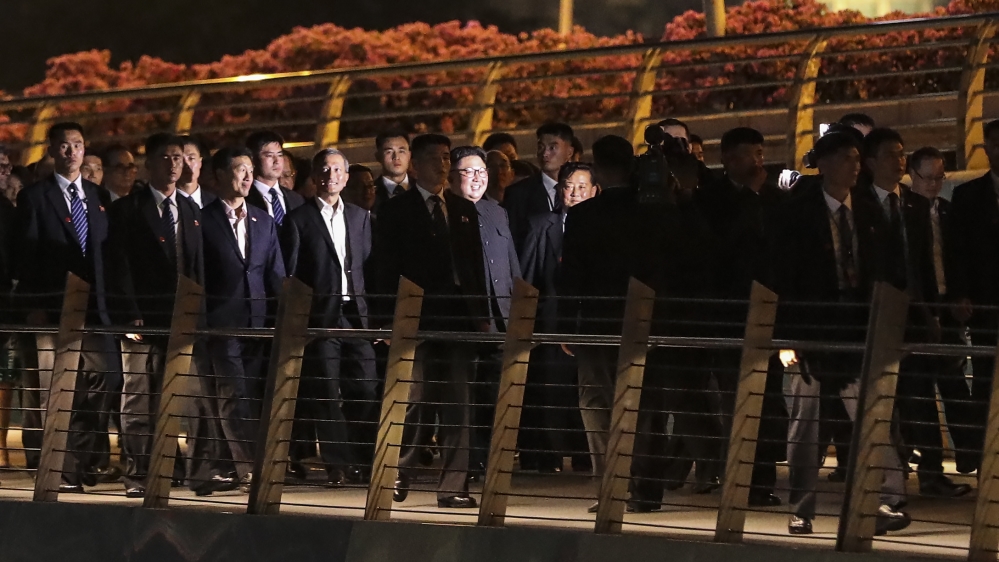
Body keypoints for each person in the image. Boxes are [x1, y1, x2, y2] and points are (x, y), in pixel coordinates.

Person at [560, 134, 714, 513]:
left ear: (596, 169)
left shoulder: (583, 217)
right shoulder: (657, 210)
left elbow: (571, 277)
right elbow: (691, 255)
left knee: (600, 406)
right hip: (650, 321)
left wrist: (567, 325)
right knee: (646, 408)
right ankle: (646, 489)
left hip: (599, 325)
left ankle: (611, 486)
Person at [773, 131, 910, 536]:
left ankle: (887, 498)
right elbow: (783, 276)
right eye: (848, 158)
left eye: (857, 158)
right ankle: (801, 507)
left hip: (857, 328)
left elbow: (884, 267)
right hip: (813, 329)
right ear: (827, 163)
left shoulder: (866, 208)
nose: (855, 166)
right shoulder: (796, 212)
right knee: (806, 422)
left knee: (871, 414)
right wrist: (786, 338)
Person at [373, 133, 488, 509]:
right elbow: (381, 268)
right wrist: (384, 322)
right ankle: (398, 472)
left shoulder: (463, 208)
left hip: (457, 318)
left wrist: (481, 315)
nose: (443, 164)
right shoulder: (395, 210)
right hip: (415, 319)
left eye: (446, 157)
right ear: (416, 165)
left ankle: (454, 485)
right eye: (435, 158)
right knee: (414, 399)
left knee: (459, 403)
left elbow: (474, 268)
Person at [16, 122, 123, 493]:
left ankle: (77, 460)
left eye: (77, 145)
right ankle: (62, 472)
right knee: (57, 392)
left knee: (108, 379)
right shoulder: (35, 197)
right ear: (52, 150)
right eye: (64, 146)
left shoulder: (97, 195)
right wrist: (34, 305)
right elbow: (26, 256)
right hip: (53, 309)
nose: (71, 152)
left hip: (96, 309)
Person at [107, 133, 208, 497]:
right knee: (138, 398)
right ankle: (138, 473)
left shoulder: (192, 209)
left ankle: (190, 470)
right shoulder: (127, 210)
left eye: (179, 157)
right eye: (165, 158)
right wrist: (129, 313)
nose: (174, 164)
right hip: (143, 319)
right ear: (148, 165)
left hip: (184, 318)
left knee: (189, 395)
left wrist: (200, 314)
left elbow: (198, 267)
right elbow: (118, 266)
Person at [692, 127, 788, 506]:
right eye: (751, 155)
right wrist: (749, 199)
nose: (759, 162)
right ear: (730, 159)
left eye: (762, 153)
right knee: (735, 397)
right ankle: (739, 477)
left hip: (769, 311)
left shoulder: (776, 199)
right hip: (729, 311)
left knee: (768, 396)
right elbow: (716, 250)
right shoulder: (711, 199)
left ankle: (761, 478)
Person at [280, 148, 379, 486]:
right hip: (320, 317)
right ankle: (339, 464)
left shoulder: (361, 217)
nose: (331, 175)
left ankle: (364, 460)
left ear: (346, 177)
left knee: (365, 387)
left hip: (356, 315)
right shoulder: (299, 219)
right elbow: (291, 275)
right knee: (326, 390)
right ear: (315, 176)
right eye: (325, 169)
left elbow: (369, 268)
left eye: (338, 170)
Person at [201, 146, 286, 492]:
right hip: (220, 322)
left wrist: (283, 317)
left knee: (250, 395)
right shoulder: (201, 220)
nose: (249, 176)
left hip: (258, 322)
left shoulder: (263, 220)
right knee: (233, 394)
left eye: (251, 170)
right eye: (240, 170)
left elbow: (275, 273)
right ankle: (250, 469)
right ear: (220, 175)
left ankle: (230, 464)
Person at [518, 162, 598, 474]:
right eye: (569, 186)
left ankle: (584, 456)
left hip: (588, 324)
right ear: (560, 190)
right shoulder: (542, 225)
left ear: (594, 191)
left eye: (582, 187)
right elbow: (529, 276)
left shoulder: (601, 227)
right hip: (550, 324)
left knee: (588, 393)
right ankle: (547, 456)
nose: (575, 193)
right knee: (550, 391)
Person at [448, 145, 520, 477]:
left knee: (494, 392)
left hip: (501, 317)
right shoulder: (447, 212)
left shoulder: (497, 211)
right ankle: (469, 460)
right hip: (466, 318)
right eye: (468, 172)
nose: (477, 179)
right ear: (452, 176)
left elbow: (511, 265)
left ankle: (491, 458)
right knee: (466, 396)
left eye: (482, 172)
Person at [946, 118, 999, 473]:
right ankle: (987, 457)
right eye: (995, 145)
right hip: (986, 306)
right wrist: (961, 294)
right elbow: (957, 252)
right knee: (985, 380)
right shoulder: (967, 196)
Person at [503, 122, 575, 253]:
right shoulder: (518, 194)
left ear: (569, 152)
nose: (545, 153)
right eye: (541, 147)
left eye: (552, 148)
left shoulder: (583, 191)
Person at [245, 131, 305, 226]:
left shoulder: (295, 199)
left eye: (280, 155)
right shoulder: (244, 199)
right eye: (269, 155)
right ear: (252, 159)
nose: (277, 161)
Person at [372, 130, 411, 213]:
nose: (396, 157)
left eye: (401, 151)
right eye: (389, 152)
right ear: (378, 156)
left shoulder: (423, 188)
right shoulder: (370, 193)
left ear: (409, 155)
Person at [176, 136, 216, 209]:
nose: (187, 164)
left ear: (200, 161)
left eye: (191, 158)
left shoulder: (216, 202)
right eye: (179, 159)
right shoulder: (164, 203)